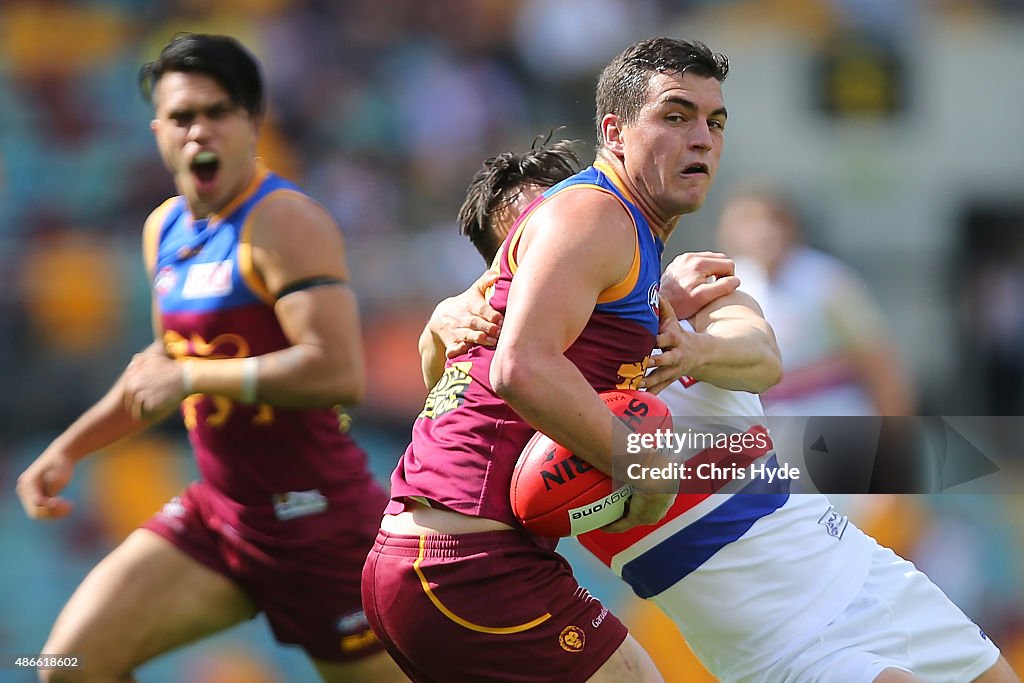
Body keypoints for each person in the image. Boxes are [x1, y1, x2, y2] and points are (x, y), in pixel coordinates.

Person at [428, 141, 1019, 683]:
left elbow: (763, 356)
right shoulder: (519, 389)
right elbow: (450, 398)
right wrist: (439, 324)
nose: (560, 249)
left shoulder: (691, 292)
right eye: (530, 245)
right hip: (781, 642)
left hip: (862, 566)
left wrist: (695, 346)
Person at [15, 33, 401, 683]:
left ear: (252, 123)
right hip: (222, 515)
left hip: (319, 525)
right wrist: (70, 448)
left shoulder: (285, 222)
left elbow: (338, 372)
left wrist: (192, 375)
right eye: (181, 116)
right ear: (158, 130)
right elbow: (163, 366)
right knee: (68, 664)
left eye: (217, 111)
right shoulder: (164, 228)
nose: (199, 131)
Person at [361, 37, 733, 683]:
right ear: (614, 132)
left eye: (714, 121)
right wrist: (646, 470)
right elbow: (520, 369)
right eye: (676, 115)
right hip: (470, 561)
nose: (701, 137)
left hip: (437, 554)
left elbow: (463, 373)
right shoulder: (596, 213)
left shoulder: (619, 240)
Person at [716, 186, 915, 416]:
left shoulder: (826, 281)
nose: (764, 231)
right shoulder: (728, 282)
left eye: (775, 220)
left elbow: (877, 362)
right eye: (749, 221)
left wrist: (893, 440)